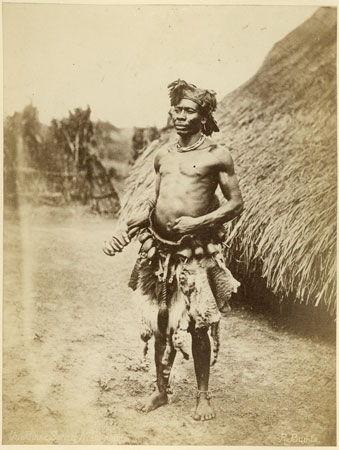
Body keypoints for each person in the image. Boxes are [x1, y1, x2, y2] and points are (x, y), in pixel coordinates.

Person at [103, 79, 243, 421]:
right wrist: (135, 222)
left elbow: (236, 204)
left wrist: (197, 224)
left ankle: (203, 397)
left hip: (195, 250)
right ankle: (162, 391)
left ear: (203, 115)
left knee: (198, 323)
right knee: (161, 322)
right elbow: (157, 195)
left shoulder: (216, 155)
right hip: (159, 250)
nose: (179, 116)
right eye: (176, 109)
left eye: (188, 110)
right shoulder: (163, 154)